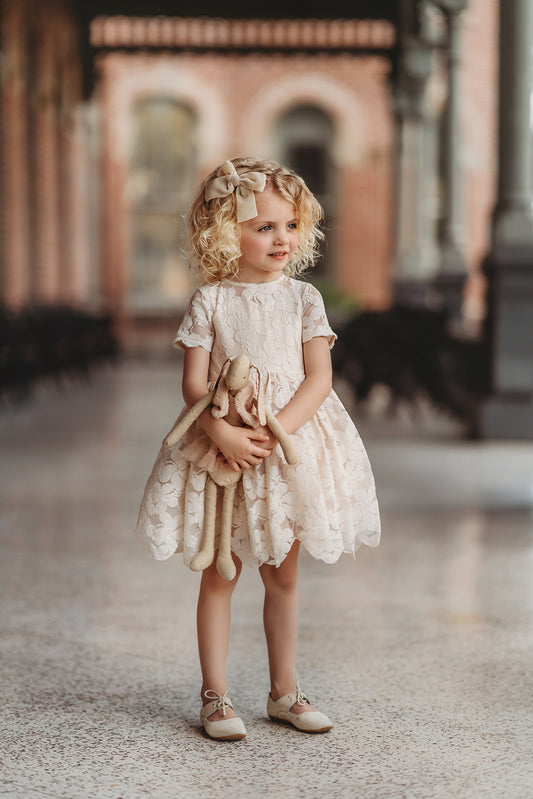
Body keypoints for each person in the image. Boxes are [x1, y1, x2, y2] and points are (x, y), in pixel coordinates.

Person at [136, 157, 381, 741]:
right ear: (226, 232)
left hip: (285, 447)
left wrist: (279, 432)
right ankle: (215, 696)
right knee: (219, 572)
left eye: (290, 226)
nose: (281, 238)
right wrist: (219, 432)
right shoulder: (211, 300)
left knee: (283, 574)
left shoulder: (304, 299)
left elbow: (319, 379)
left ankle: (284, 692)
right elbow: (195, 383)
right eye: (264, 226)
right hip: (222, 448)